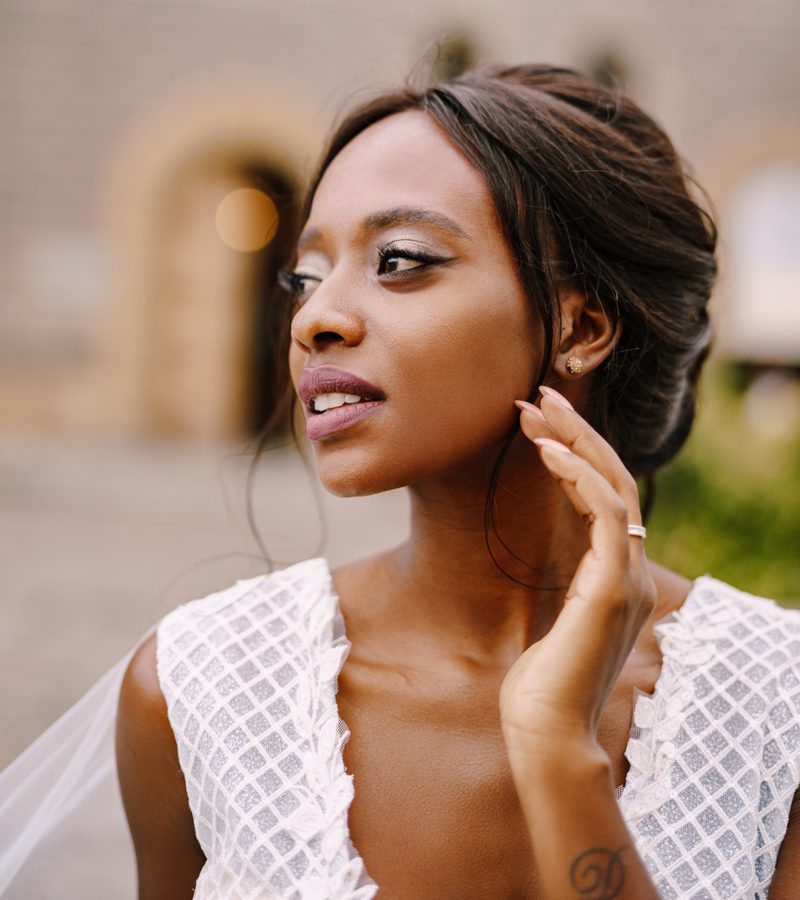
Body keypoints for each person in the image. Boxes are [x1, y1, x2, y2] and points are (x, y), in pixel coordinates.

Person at [3, 63, 799, 899]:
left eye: (400, 260)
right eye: (304, 277)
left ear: (583, 325)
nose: (315, 318)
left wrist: (559, 751)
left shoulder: (777, 707)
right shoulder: (198, 689)